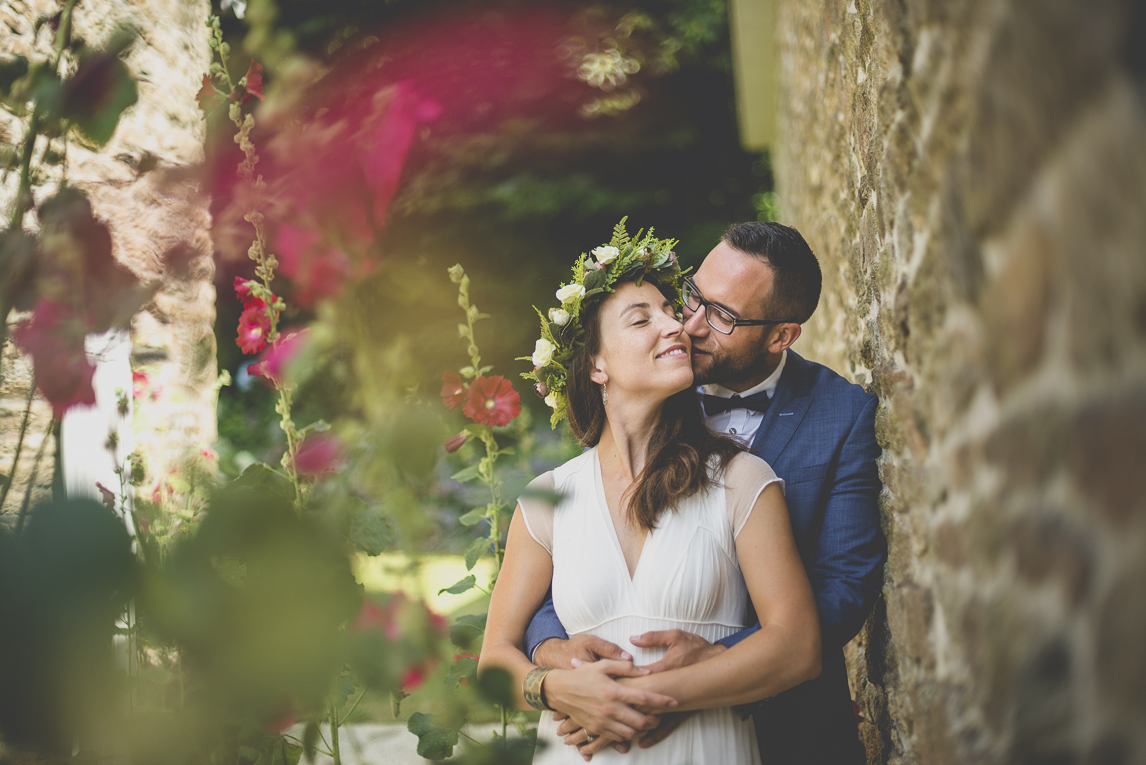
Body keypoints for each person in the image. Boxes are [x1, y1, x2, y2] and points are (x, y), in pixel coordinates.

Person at [525, 221, 885, 764]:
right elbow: (574, 547)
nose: (690, 325)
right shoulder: (649, 386)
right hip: (610, 730)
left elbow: (844, 587)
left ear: (781, 336)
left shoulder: (841, 415)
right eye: (693, 295)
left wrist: (715, 664)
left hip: (789, 725)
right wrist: (558, 654)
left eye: (723, 316)